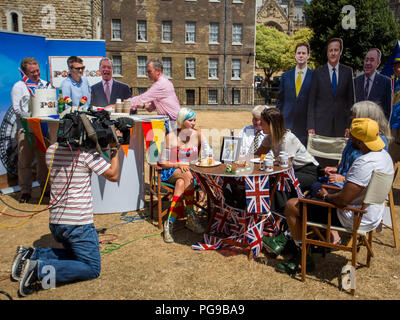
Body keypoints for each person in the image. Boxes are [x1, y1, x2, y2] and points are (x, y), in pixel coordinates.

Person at [267, 118, 394, 275]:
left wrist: (326, 196)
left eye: (352, 136)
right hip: (372, 214)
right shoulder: (384, 156)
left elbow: (342, 200)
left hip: (351, 216)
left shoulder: (364, 163)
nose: (349, 138)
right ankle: (300, 241)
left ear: (360, 141)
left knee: (292, 205)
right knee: (310, 198)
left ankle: (302, 257)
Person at [10, 134, 121, 297]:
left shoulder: (51, 150)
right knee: (92, 268)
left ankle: (32, 254)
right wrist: (114, 151)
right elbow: (113, 175)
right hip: (78, 225)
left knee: (77, 257)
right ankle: (38, 270)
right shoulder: (86, 154)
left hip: (57, 223)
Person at [158, 108, 212, 243]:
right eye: (190, 120)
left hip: (190, 173)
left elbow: (209, 154)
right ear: (182, 121)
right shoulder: (171, 136)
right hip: (171, 171)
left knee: (181, 183)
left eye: (194, 120)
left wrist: (200, 162)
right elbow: (162, 162)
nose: (193, 123)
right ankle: (190, 216)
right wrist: (178, 164)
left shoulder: (198, 135)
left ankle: (169, 223)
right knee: (186, 174)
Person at [322, 101, 391, 187]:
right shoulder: (356, 136)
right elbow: (350, 162)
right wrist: (337, 168)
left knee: (313, 186)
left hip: (352, 188)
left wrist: (343, 178)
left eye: (355, 115)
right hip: (342, 181)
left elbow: (369, 173)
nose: (351, 117)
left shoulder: (376, 142)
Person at [11, 57, 50, 203]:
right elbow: (17, 109)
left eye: (38, 70)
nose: (36, 74)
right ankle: (26, 191)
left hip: (43, 129)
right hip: (26, 130)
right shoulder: (19, 87)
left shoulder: (45, 85)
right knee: (25, 162)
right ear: (26, 72)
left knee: (44, 161)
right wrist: (31, 115)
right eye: (32, 72)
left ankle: (45, 187)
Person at [255, 108, 319, 194]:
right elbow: (257, 155)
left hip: (307, 172)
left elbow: (286, 165)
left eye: (262, 122)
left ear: (271, 125)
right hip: (292, 171)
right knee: (263, 180)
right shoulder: (270, 138)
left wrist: (268, 161)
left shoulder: (288, 139)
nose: (260, 124)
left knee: (279, 182)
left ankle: (279, 207)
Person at [307, 38, 355, 139]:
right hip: (321, 126)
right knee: (320, 155)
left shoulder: (347, 72)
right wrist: (311, 126)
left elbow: (351, 102)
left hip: (341, 127)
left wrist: (349, 125)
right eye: (330, 50)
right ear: (327, 52)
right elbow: (311, 102)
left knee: (339, 155)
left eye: (336, 50)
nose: (333, 53)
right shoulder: (317, 73)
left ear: (340, 52)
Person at [128, 58, 181, 132]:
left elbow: (142, 98)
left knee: (171, 142)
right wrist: (142, 105)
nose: (147, 74)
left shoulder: (161, 84)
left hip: (175, 122)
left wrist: (125, 103)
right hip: (170, 121)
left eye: (149, 71)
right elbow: (151, 107)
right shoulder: (161, 83)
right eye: (147, 71)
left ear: (158, 71)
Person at [277, 42, 313, 146]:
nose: (301, 55)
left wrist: (312, 125)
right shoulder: (285, 76)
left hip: (305, 126)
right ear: (295, 55)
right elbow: (280, 101)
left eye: (303, 53)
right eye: (298, 53)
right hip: (286, 124)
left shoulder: (315, 76)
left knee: (302, 158)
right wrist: (278, 122)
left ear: (308, 56)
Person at [354, 48, 392, 120]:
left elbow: (387, 111)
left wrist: (381, 129)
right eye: (366, 60)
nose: (368, 63)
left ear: (378, 63)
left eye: (371, 60)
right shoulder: (355, 82)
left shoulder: (385, 82)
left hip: (376, 128)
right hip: (357, 127)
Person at [388, 55, 400, 162]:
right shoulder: (396, 83)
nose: (397, 68)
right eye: (395, 66)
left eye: (399, 66)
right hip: (394, 125)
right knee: (392, 157)